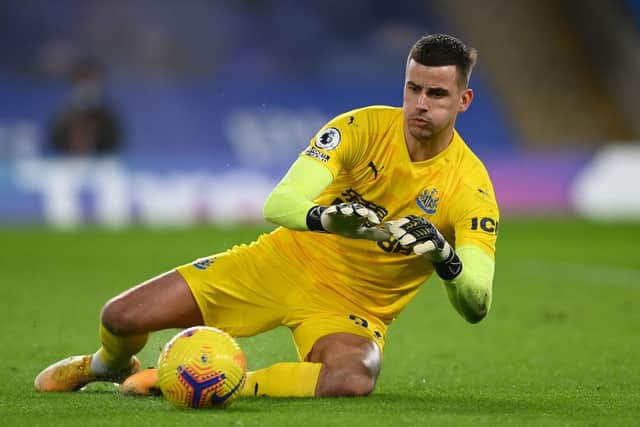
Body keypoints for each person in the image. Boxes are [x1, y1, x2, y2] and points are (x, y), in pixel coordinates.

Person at [34, 33, 499, 398]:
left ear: (464, 101)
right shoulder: (359, 128)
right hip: (280, 263)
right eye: (412, 88)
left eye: (436, 94)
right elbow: (279, 203)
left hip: (353, 308)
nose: (419, 104)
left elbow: (476, 304)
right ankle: (105, 366)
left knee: (350, 381)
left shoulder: (471, 186)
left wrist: (446, 259)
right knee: (120, 317)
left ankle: (225, 380)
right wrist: (325, 218)